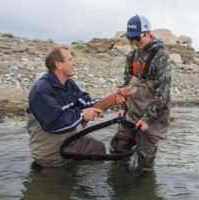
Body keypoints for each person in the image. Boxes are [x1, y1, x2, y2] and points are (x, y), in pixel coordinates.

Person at [27, 46, 125, 167]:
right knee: (64, 182)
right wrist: (82, 115)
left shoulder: (69, 85)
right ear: (59, 65)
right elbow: (53, 124)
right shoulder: (41, 90)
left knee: (97, 148)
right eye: (70, 60)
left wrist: (111, 99)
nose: (73, 63)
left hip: (70, 142)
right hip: (49, 152)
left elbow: (87, 103)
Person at [110, 15, 173, 168]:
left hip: (152, 120)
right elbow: (127, 85)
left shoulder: (162, 58)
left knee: (145, 159)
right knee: (118, 148)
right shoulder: (131, 56)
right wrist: (123, 108)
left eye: (137, 37)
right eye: (131, 38)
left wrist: (147, 119)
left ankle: (144, 185)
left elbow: (162, 94)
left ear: (148, 33)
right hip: (131, 114)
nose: (135, 42)